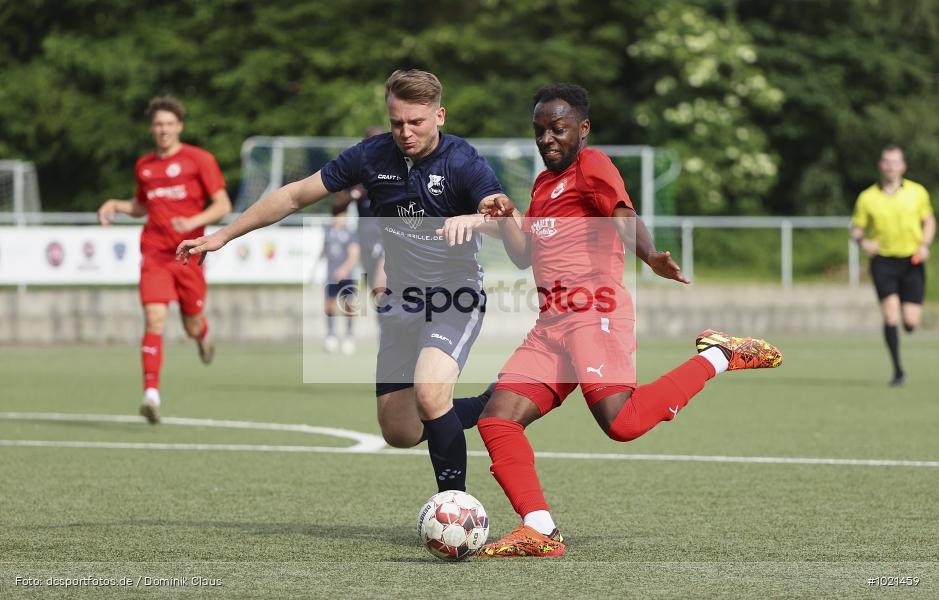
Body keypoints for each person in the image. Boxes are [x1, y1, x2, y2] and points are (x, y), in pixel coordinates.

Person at [445, 83, 783, 557]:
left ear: (582, 129)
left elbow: (623, 214)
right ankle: (540, 529)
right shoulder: (542, 185)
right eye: (539, 130)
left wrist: (648, 254)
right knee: (498, 420)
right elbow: (524, 256)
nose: (547, 139)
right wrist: (506, 217)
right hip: (551, 325)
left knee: (621, 423)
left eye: (557, 129)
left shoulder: (593, 164)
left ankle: (720, 357)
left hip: (594, 314)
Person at [177, 70, 507, 493]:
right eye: (396, 123)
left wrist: (478, 218)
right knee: (400, 430)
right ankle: (486, 404)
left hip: (454, 296)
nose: (404, 132)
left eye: (416, 122)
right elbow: (295, 195)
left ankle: (455, 509)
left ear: (439, 116)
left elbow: (503, 220)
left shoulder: (464, 161)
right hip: (402, 301)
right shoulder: (371, 156)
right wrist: (222, 235)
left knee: (429, 393)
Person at [97, 96, 232, 424]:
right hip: (155, 254)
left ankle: (202, 336)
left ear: (179, 126)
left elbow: (223, 205)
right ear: (151, 128)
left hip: (189, 255)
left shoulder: (199, 159)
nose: (164, 130)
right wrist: (116, 203)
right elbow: (142, 206)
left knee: (190, 323)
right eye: (158, 124)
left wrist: (193, 221)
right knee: (154, 319)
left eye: (169, 124)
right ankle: (151, 395)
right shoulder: (144, 166)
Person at [851, 145, 935, 386]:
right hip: (883, 262)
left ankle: (908, 326)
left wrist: (925, 244)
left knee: (910, 321)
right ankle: (898, 370)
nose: (890, 166)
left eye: (895, 162)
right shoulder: (867, 197)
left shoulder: (917, 192)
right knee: (890, 314)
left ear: (903, 166)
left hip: (912, 261)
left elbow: (929, 221)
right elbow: (856, 228)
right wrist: (862, 242)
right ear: (881, 165)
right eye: (886, 161)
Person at [331, 126, 388, 299]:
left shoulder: (396, 168)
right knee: (374, 288)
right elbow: (336, 206)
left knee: (381, 284)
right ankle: (384, 323)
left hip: (387, 233)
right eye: (373, 142)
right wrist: (354, 195)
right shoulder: (357, 172)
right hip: (365, 234)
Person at [322, 203, 360, 354]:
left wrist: (344, 269)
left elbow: (354, 254)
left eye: (343, 215)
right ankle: (331, 336)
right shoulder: (328, 233)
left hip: (346, 277)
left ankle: (349, 336)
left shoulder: (350, 234)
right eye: (338, 215)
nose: (340, 219)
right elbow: (325, 250)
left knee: (348, 306)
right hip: (331, 276)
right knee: (330, 305)